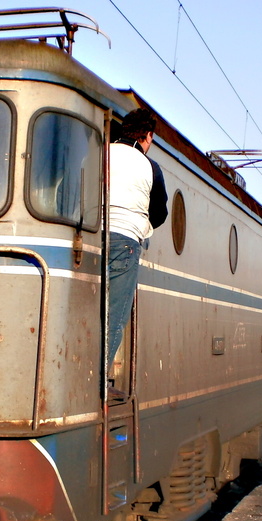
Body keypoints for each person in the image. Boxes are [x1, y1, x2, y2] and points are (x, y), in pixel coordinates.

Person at [106, 108, 168, 375]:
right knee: (113, 318)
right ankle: (96, 384)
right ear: (148, 136)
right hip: (125, 243)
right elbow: (160, 213)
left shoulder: (100, 151)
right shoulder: (149, 166)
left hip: (89, 234)